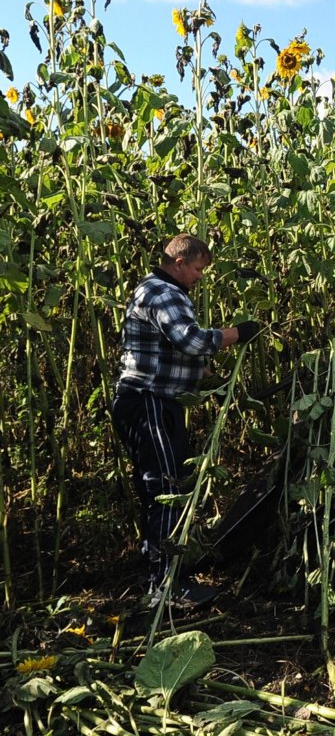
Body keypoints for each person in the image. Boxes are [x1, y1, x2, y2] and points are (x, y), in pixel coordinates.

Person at [111, 233, 260, 609]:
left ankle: (161, 576)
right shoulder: (163, 292)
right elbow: (191, 340)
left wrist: (210, 378)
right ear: (179, 262)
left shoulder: (157, 291)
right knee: (165, 489)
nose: (199, 277)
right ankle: (165, 587)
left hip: (154, 403)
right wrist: (238, 333)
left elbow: (173, 350)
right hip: (150, 404)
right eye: (197, 269)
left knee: (160, 487)